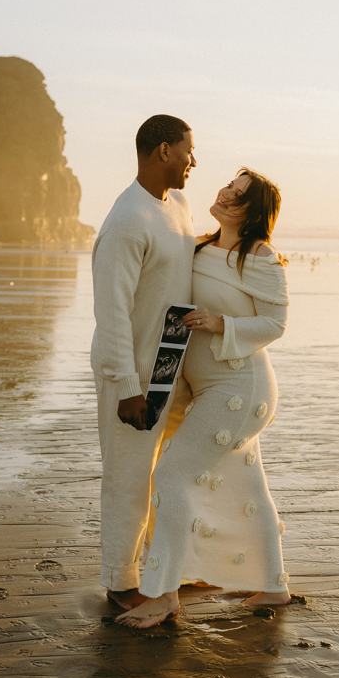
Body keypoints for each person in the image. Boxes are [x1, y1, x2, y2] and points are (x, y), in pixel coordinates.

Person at [116, 167, 290, 629]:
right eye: (228, 187)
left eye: (238, 195)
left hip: (240, 387)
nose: (225, 194)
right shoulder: (201, 246)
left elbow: (275, 324)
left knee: (171, 475)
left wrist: (221, 324)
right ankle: (273, 585)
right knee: (247, 485)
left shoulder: (258, 256)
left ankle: (161, 593)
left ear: (253, 213)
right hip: (207, 387)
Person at [91, 114, 196, 610]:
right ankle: (120, 583)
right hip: (131, 372)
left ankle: (160, 567)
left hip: (170, 364)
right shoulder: (127, 220)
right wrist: (126, 385)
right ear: (163, 152)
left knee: (168, 474)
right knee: (129, 477)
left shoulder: (177, 203)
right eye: (187, 151)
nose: (193, 161)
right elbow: (110, 310)